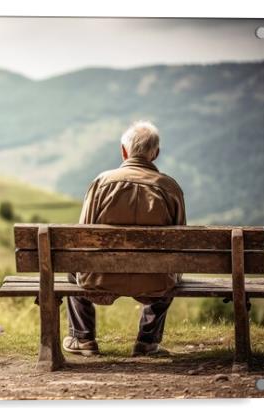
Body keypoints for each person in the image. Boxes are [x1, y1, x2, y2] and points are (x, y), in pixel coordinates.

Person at [63, 120, 186, 357]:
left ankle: (83, 338)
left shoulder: (101, 183)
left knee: (71, 267)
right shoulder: (170, 188)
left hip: (100, 279)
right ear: (156, 154)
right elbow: (180, 246)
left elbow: (82, 237)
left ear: (123, 151)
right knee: (172, 269)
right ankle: (147, 342)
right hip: (155, 282)